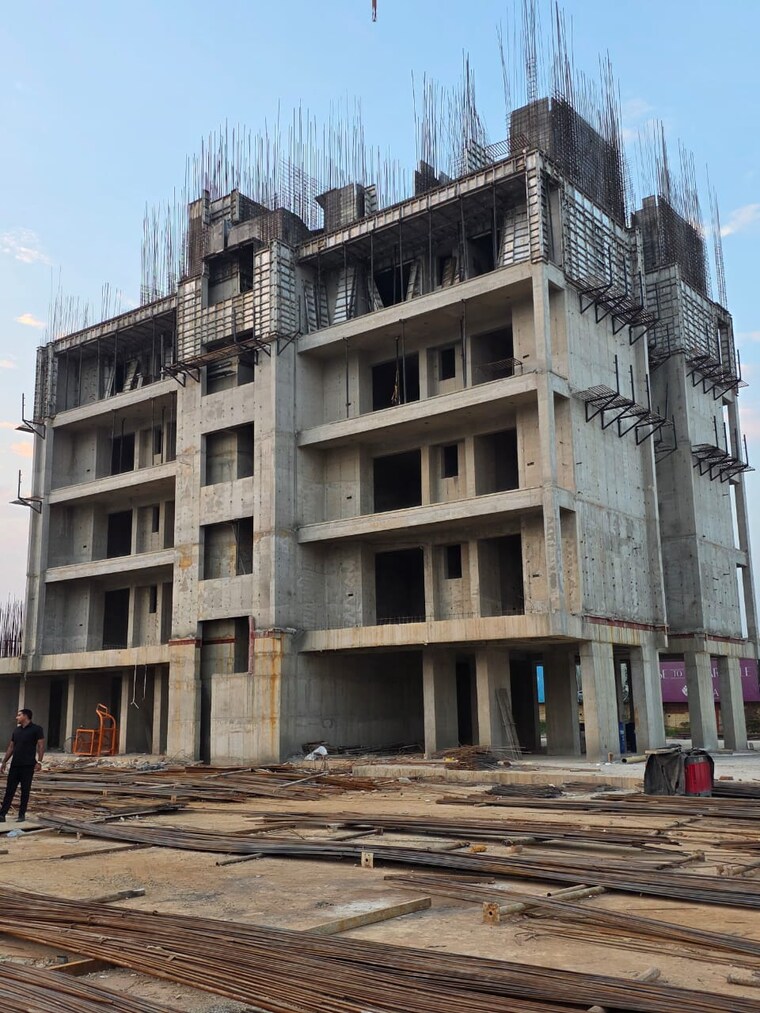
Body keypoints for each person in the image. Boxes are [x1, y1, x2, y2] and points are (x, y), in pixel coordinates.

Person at [0, 709, 45, 823]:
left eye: (19, 715)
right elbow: (11, 747)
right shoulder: (16, 730)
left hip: (28, 765)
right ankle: (2, 814)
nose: (17, 717)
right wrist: (4, 762)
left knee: (25, 791)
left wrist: (40, 762)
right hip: (15, 765)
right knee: (9, 790)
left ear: (25, 716)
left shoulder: (37, 729)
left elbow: (40, 746)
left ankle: (21, 815)